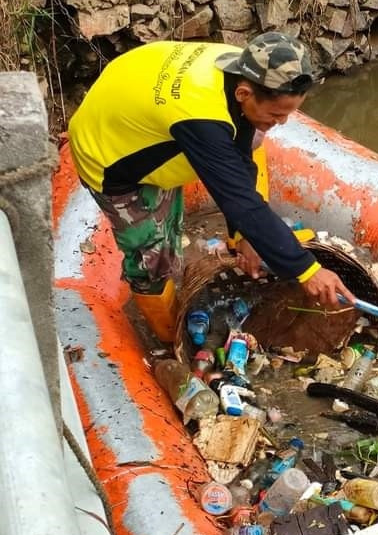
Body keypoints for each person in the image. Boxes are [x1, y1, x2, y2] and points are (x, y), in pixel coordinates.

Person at [68, 31, 355, 341]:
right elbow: (239, 198)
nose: (282, 123)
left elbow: (241, 154)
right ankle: (166, 337)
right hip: (112, 160)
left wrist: (241, 234)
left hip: (144, 119)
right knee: (151, 256)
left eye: (288, 113)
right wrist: (307, 270)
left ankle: (171, 276)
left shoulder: (239, 66)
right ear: (245, 94)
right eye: (275, 114)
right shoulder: (200, 118)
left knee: (172, 233)